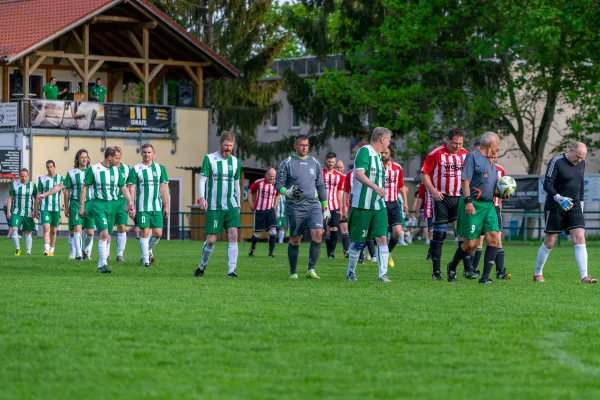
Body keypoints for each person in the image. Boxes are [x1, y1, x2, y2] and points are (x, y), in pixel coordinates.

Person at [446, 132, 509, 283]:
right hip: (473, 203)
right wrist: (468, 201)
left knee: (493, 238)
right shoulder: (473, 157)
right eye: (498, 144)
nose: (498, 147)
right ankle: (452, 266)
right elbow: (465, 181)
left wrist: (501, 194)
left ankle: (485, 277)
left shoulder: (492, 162)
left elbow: (491, 188)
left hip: (488, 205)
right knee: (470, 245)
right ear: (491, 144)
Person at [534, 142, 596, 283]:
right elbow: (547, 184)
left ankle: (584, 276)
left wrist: (581, 203)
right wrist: (559, 198)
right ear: (570, 150)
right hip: (555, 205)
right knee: (549, 242)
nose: (579, 160)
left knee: (580, 238)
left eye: (582, 158)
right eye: (578, 157)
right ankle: (537, 273)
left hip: (574, 207)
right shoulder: (557, 161)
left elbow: (580, 184)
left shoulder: (582, 163)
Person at [274, 134, 329, 280]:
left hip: (313, 205)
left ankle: (311, 270)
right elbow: (277, 184)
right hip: (295, 206)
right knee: (295, 239)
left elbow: (321, 185)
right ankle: (293, 272)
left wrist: (326, 206)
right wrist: (286, 192)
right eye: (301, 145)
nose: (304, 148)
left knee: (318, 233)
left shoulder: (315, 163)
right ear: (295, 146)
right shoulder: (287, 162)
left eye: (306, 145)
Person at [420, 128, 469, 280]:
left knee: (461, 233)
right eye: (455, 143)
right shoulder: (436, 154)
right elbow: (424, 173)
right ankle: (436, 272)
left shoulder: (465, 154)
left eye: (460, 143)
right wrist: (433, 191)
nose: (458, 146)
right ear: (447, 140)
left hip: (458, 198)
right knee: (439, 234)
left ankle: (465, 269)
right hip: (442, 198)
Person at [346, 127, 393, 283]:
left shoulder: (379, 157)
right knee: (358, 242)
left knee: (382, 238)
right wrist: (375, 187)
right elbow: (359, 174)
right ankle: (351, 272)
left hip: (378, 206)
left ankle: (382, 274)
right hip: (362, 205)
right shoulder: (365, 151)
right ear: (382, 139)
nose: (389, 143)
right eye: (388, 140)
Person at [80, 146, 136, 273]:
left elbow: (123, 188)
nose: (118, 161)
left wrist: (130, 202)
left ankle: (101, 264)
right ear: (109, 157)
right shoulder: (94, 169)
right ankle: (103, 263)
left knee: (108, 236)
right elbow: (85, 188)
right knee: (104, 234)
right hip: (99, 204)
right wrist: (82, 206)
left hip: (113, 205)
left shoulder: (117, 171)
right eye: (116, 158)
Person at [194, 131, 242, 278]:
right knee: (211, 240)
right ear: (220, 143)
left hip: (231, 204)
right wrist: (202, 198)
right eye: (226, 145)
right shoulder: (209, 159)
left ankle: (231, 271)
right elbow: (202, 180)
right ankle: (202, 265)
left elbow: (237, 183)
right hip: (214, 206)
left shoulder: (235, 162)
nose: (228, 148)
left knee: (233, 235)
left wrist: (239, 203)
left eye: (231, 146)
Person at [38, 149, 95, 260]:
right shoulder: (71, 173)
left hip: (89, 203)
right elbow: (62, 188)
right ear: (78, 159)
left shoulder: (92, 171)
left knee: (90, 232)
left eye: (86, 157)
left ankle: (84, 250)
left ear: (88, 159)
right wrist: (46, 194)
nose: (84, 159)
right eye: (82, 157)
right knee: (77, 229)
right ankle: (78, 255)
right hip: (75, 203)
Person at [129, 143, 170, 267]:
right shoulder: (135, 169)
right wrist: (131, 205)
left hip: (156, 206)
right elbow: (132, 188)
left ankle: (146, 252)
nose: (147, 154)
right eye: (144, 152)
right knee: (145, 232)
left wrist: (166, 205)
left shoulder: (160, 168)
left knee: (158, 233)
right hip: (142, 206)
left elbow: (164, 188)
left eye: (149, 152)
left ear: (154, 154)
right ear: (141, 154)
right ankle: (146, 260)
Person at [381, 147, 408, 268]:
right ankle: (376, 254)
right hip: (380, 203)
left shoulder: (397, 168)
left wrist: (406, 203)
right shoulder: (377, 167)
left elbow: (401, 186)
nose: (383, 154)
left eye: (385, 153)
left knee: (397, 232)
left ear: (391, 154)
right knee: (381, 234)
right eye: (381, 152)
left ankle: (388, 252)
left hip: (393, 203)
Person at [33, 160, 63, 256]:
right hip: (45, 208)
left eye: (51, 167)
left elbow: (66, 193)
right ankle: (46, 249)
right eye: (48, 167)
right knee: (46, 228)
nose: (49, 169)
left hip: (56, 209)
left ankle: (51, 249)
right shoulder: (42, 179)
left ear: (54, 167)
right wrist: (36, 209)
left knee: (54, 231)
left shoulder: (60, 178)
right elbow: (38, 195)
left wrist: (66, 206)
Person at [109, 148, 134, 262]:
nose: (117, 158)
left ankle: (120, 254)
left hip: (122, 201)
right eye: (115, 156)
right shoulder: (107, 168)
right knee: (107, 229)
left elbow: (130, 187)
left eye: (119, 156)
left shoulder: (127, 169)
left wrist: (131, 202)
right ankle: (106, 253)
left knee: (122, 227)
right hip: (109, 201)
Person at [248, 168, 279, 258]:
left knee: (273, 232)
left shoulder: (276, 184)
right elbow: (250, 191)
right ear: (266, 175)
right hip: (260, 211)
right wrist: (251, 204)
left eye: (273, 176)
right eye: (270, 176)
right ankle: (252, 248)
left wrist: (274, 207)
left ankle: (271, 253)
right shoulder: (259, 183)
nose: (272, 178)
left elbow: (278, 195)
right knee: (257, 235)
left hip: (270, 210)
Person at [7, 168, 36, 256]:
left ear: (28, 176)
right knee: (15, 229)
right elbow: (10, 198)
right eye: (22, 176)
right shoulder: (15, 184)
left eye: (25, 176)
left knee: (28, 232)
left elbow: (37, 198)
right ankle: (17, 249)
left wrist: (35, 210)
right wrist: (9, 211)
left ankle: (28, 252)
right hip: (16, 212)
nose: (24, 178)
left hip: (28, 213)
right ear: (19, 176)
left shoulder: (32, 185)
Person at [322, 152, 344, 259]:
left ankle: (331, 252)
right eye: (329, 161)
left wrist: (341, 208)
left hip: (335, 205)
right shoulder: (320, 174)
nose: (331, 164)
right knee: (327, 229)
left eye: (333, 162)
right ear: (326, 160)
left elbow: (340, 192)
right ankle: (328, 252)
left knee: (335, 228)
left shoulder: (339, 176)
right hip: (323, 206)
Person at [335, 160, 351, 256]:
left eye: (341, 167)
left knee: (346, 228)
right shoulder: (333, 178)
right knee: (331, 230)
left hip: (346, 206)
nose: (339, 169)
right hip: (335, 206)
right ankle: (331, 253)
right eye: (337, 167)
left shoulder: (347, 178)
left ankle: (347, 251)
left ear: (344, 167)